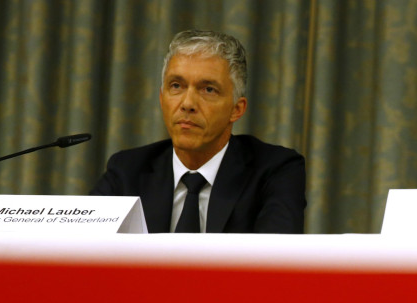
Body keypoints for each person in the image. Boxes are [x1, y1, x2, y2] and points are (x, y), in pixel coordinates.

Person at [91, 30, 306, 233]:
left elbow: (275, 259)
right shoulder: (128, 171)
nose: (187, 103)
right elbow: (82, 247)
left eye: (208, 89)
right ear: (161, 98)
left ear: (236, 109)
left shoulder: (275, 171)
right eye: (176, 86)